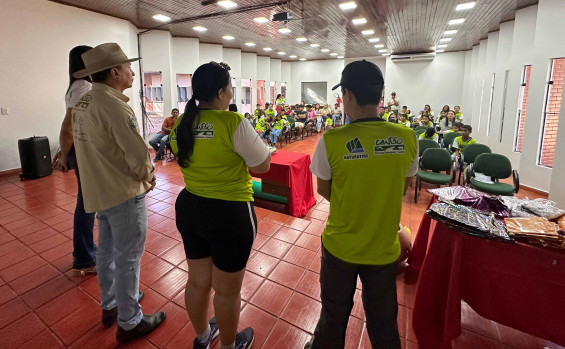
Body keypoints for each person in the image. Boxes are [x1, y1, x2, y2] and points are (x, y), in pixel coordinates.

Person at [306, 60, 418, 349]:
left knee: (333, 317)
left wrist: (353, 201)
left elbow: (324, 189)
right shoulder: (407, 138)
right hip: (383, 248)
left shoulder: (331, 140)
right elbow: (400, 188)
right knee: (383, 323)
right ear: (380, 96)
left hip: (340, 247)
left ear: (348, 96)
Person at [71, 43, 165, 343]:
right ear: (114, 72)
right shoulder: (114, 105)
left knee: (108, 251)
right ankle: (130, 320)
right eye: (128, 67)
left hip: (100, 191)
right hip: (123, 192)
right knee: (128, 257)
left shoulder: (83, 103)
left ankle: (110, 304)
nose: (132, 72)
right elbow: (136, 153)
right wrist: (148, 176)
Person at [173, 61, 271, 349]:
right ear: (220, 92)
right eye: (230, 88)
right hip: (229, 214)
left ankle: (203, 336)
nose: (231, 94)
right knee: (227, 292)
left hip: (191, 207)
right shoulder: (233, 123)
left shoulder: (182, 122)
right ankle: (230, 346)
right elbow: (262, 166)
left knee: (197, 281)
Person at [52, 45, 97, 276]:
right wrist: (64, 155)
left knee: (88, 203)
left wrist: (64, 152)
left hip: (79, 150)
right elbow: (68, 125)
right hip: (82, 151)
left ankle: (86, 249)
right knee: (87, 204)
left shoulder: (77, 86)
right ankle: (84, 257)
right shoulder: (84, 87)